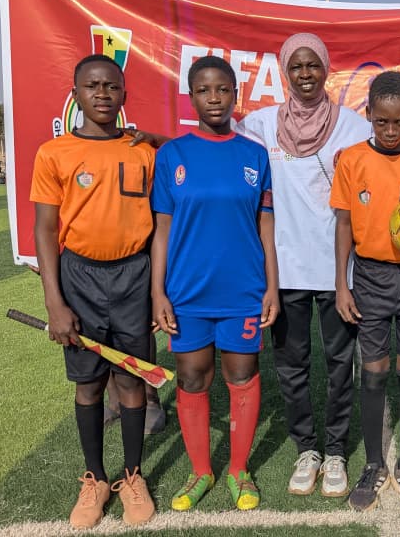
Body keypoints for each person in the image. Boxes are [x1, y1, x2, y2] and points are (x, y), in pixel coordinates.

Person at [236, 32, 368, 498]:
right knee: (291, 366)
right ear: (285, 71)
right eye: (297, 66)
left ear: (326, 68)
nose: (305, 74)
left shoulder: (354, 127)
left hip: (338, 271)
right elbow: (216, 148)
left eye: (313, 65)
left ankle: (335, 450)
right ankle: (306, 449)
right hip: (283, 270)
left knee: (338, 364)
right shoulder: (258, 126)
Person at [30, 54, 156, 529]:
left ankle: (132, 477)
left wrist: (157, 138)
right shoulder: (54, 153)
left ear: (124, 94)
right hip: (79, 276)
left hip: (134, 274)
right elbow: (45, 230)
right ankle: (95, 480)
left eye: (111, 86)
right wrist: (54, 301)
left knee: (131, 379)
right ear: (76, 94)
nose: (102, 94)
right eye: (92, 86)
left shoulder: (143, 151)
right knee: (88, 383)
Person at [151, 55, 279, 513]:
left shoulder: (255, 155)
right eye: (204, 90)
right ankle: (201, 471)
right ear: (192, 96)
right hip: (187, 291)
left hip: (243, 290)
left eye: (223, 89)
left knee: (241, 375)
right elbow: (161, 230)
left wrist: (272, 287)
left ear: (235, 96)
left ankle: (239, 470)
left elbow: (266, 226)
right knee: (192, 376)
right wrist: (158, 292)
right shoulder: (172, 155)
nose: (214, 98)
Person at [331, 71, 400, 514]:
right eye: (382, 122)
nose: (392, 130)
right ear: (369, 115)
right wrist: (342, 283)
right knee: (374, 370)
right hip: (370, 277)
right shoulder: (353, 159)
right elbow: (344, 223)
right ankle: (374, 464)